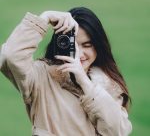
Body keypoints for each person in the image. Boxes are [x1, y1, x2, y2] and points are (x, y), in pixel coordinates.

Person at [0, 7, 132, 136]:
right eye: (72, 45)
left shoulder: (108, 86)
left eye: (87, 45)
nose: (79, 54)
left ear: (98, 46)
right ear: (59, 44)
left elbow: (118, 132)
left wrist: (84, 82)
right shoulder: (41, 77)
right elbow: (10, 56)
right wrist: (45, 17)